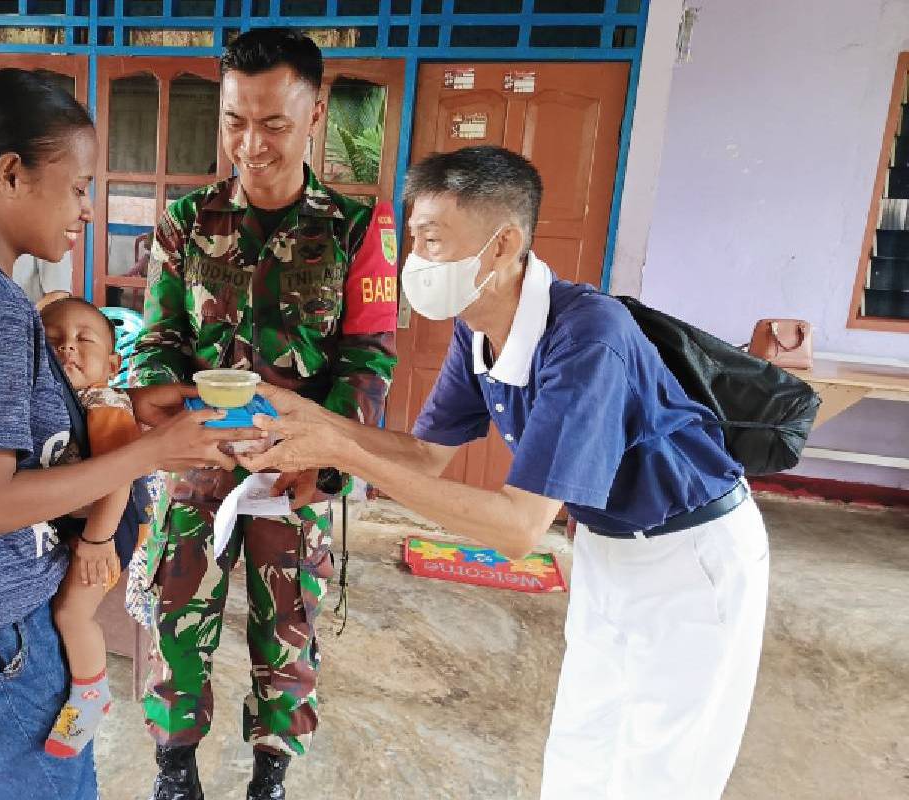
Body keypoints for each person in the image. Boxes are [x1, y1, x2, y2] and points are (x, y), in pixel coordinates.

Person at [240, 146, 771, 800]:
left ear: (502, 246)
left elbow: (520, 529)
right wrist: (313, 418)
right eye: (413, 241)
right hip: (609, 550)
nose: (416, 262)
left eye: (433, 241)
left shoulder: (587, 337)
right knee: (583, 739)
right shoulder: (479, 329)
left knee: (664, 768)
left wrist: (343, 453)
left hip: (691, 558)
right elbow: (423, 456)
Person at [0, 59, 257, 800]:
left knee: (3, 782)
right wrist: (150, 453)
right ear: (13, 173)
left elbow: (8, 423)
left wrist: (135, 414)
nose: (87, 209)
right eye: (79, 188)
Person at [130, 28, 400, 800]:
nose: (251, 144)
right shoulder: (186, 222)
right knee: (176, 617)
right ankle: (175, 770)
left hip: (298, 470)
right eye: (234, 121)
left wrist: (325, 458)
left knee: (288, 627)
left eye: (273, 123)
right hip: (201, 459)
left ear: (314, 115)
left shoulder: (355, 230)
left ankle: (270, 773)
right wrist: (157, 403)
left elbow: (369, 363)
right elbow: (159, 339)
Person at [38, 297, 149, 759]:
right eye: (54, 341)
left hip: (113, 521)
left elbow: (119, 475)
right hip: (87, 517)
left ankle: (91, 695)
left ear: (113, 361)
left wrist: (96, 540)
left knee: (71, 613)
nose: (69, 350)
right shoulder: (59, 398)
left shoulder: (105, 403)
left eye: (85, 341)